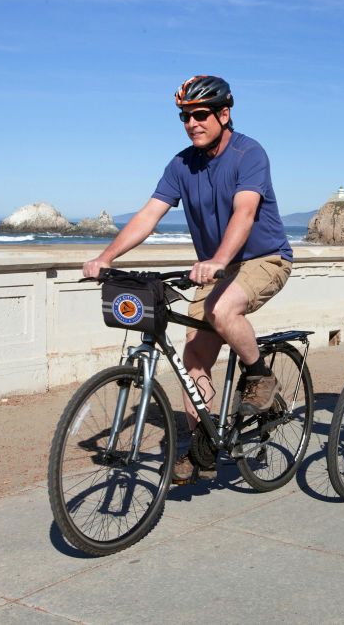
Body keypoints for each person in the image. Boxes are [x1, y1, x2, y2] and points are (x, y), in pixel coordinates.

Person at [82, 75, 293, 482]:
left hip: (264, 258)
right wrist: (105, 257)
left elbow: (244, 214)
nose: (192, 123)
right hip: (217, 265)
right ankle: (203, 446)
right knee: (193, 357)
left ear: (224, 114)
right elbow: (148, 216)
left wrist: (216, 260)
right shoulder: (181, 164)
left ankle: (260, 375)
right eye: (185, 117)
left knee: (222, 308)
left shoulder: (249, 154)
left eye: (200, 114)